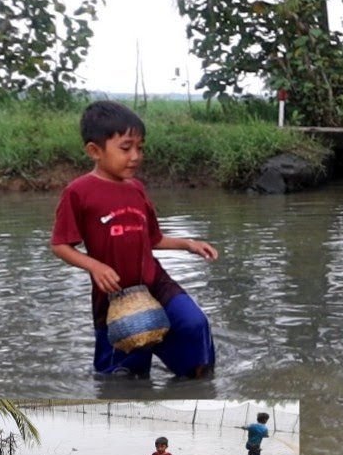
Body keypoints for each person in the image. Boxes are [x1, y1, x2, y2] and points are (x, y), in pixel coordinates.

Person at [51, 100, 218, 378]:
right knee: (125, 376)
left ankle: (199, 393)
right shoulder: (78, 192)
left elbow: (153, 238)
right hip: (114, 294)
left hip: (155, 282)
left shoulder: (137, 189)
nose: (136, 156)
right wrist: (95, 266)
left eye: (140, 148)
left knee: (194, 325)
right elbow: (60, 245)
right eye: (126, 148)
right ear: (95, 150)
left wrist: (188, 244)